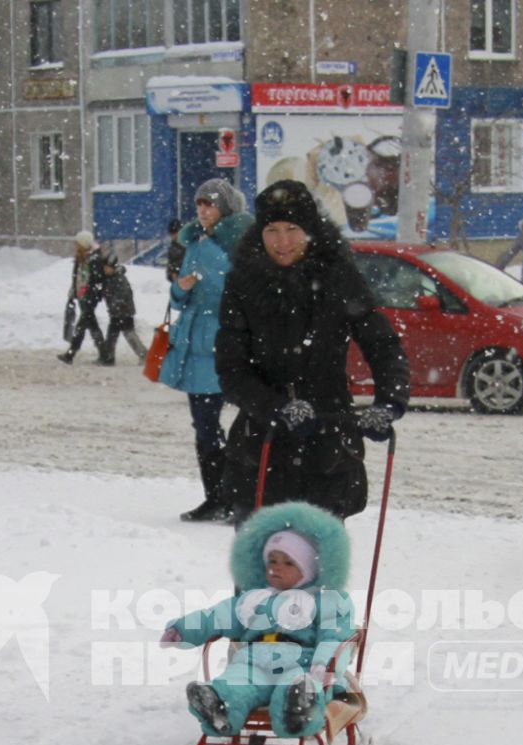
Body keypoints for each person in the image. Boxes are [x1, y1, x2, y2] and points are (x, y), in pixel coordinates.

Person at [214, 179, 410, 519]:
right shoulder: (242, 283)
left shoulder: (338, 277)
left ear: (310, 230)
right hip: (262, 446)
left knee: (321, 566)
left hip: (329, 449)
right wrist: (276, 407)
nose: (283, 241)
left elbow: (383, 345)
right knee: (264, 568)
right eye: (272, 230)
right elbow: (232, 370)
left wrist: (389, 402)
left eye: (292, 228)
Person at [159, 501, 356, 739]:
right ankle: (219, 707)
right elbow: (214, 618)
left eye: (288, 563)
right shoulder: (251, 600)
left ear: (309, 568)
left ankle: (299, 709)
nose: (276, 568)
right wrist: (183, 630)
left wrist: (323, 665)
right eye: (272, 561)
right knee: (236, 683)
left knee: (296, 684)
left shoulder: (325, 601)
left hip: (301, 663)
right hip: (252, 663)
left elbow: (334, 636)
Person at [160, 178, 252, 522]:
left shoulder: (236, 244)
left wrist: (205, 286)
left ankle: (233, 497)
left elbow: (236, 292)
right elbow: (181, 296)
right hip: (196, 344)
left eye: (208, 204)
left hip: (223, 343)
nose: (201, 210)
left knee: (229, 428)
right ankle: (217, 497)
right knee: (205, 427)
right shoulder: (197, 243)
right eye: (199, 204)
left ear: (224, 209)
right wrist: (180, 289)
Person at [59, 231, 106, 364]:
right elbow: (78, 276)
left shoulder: (94, 259)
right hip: (82, 296)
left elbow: (97, 280)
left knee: (81, 325)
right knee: (92, 325)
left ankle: (71, 354)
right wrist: (74, 291)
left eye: (78, 243)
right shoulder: (82, 257)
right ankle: (104, 352)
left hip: (89, 297)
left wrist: (90, 293)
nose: (75, 246)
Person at [98, 252, 146, 364]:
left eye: (107, 268)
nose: (105, 270)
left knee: (128, 334)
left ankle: (143, 354)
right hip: (117, 312)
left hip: (124, 311)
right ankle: (109, 357)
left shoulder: (119, 278)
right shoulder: (110, 278)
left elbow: (123, 294)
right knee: (114, 334)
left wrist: (117, 304)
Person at [163, 218, 186, 284]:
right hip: (180, 282)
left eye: (175, 233)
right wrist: (172, 275)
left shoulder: (190, 244)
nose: (174, 236)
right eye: (172, 234)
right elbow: (170, 267)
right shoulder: (172, 248)